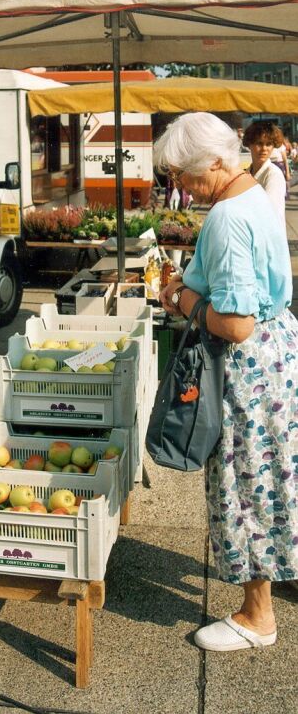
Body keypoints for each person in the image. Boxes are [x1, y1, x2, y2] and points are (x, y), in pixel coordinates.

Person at [153, 112, 297, 652]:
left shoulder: (225, 218)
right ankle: (278, 572)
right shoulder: (256, 195)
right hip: (278, 355)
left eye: (188, 176)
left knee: (243, 483)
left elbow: (236, 324)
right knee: (278, 473)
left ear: (217, 160)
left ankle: (258, 616)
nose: (183, 189)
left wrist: (183, 297)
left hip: (248, 370)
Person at [242, 121, 287, 230]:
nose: (264, 149)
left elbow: (268, 211)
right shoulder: (247, 173)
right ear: (249, 144)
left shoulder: (273, 174)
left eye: (268, 144)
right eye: (259, 143)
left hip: (269, 236)